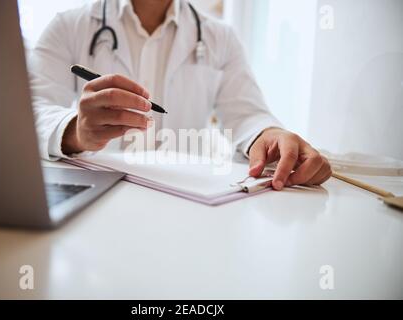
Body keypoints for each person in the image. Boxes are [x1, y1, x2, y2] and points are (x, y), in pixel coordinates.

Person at [29, 0, 332, 191]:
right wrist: (76, 131)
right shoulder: (67, 27)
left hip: (184, 202)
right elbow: (28, 112)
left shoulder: (220, 39)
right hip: (96, 199)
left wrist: (272, 134)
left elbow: (248, 115)